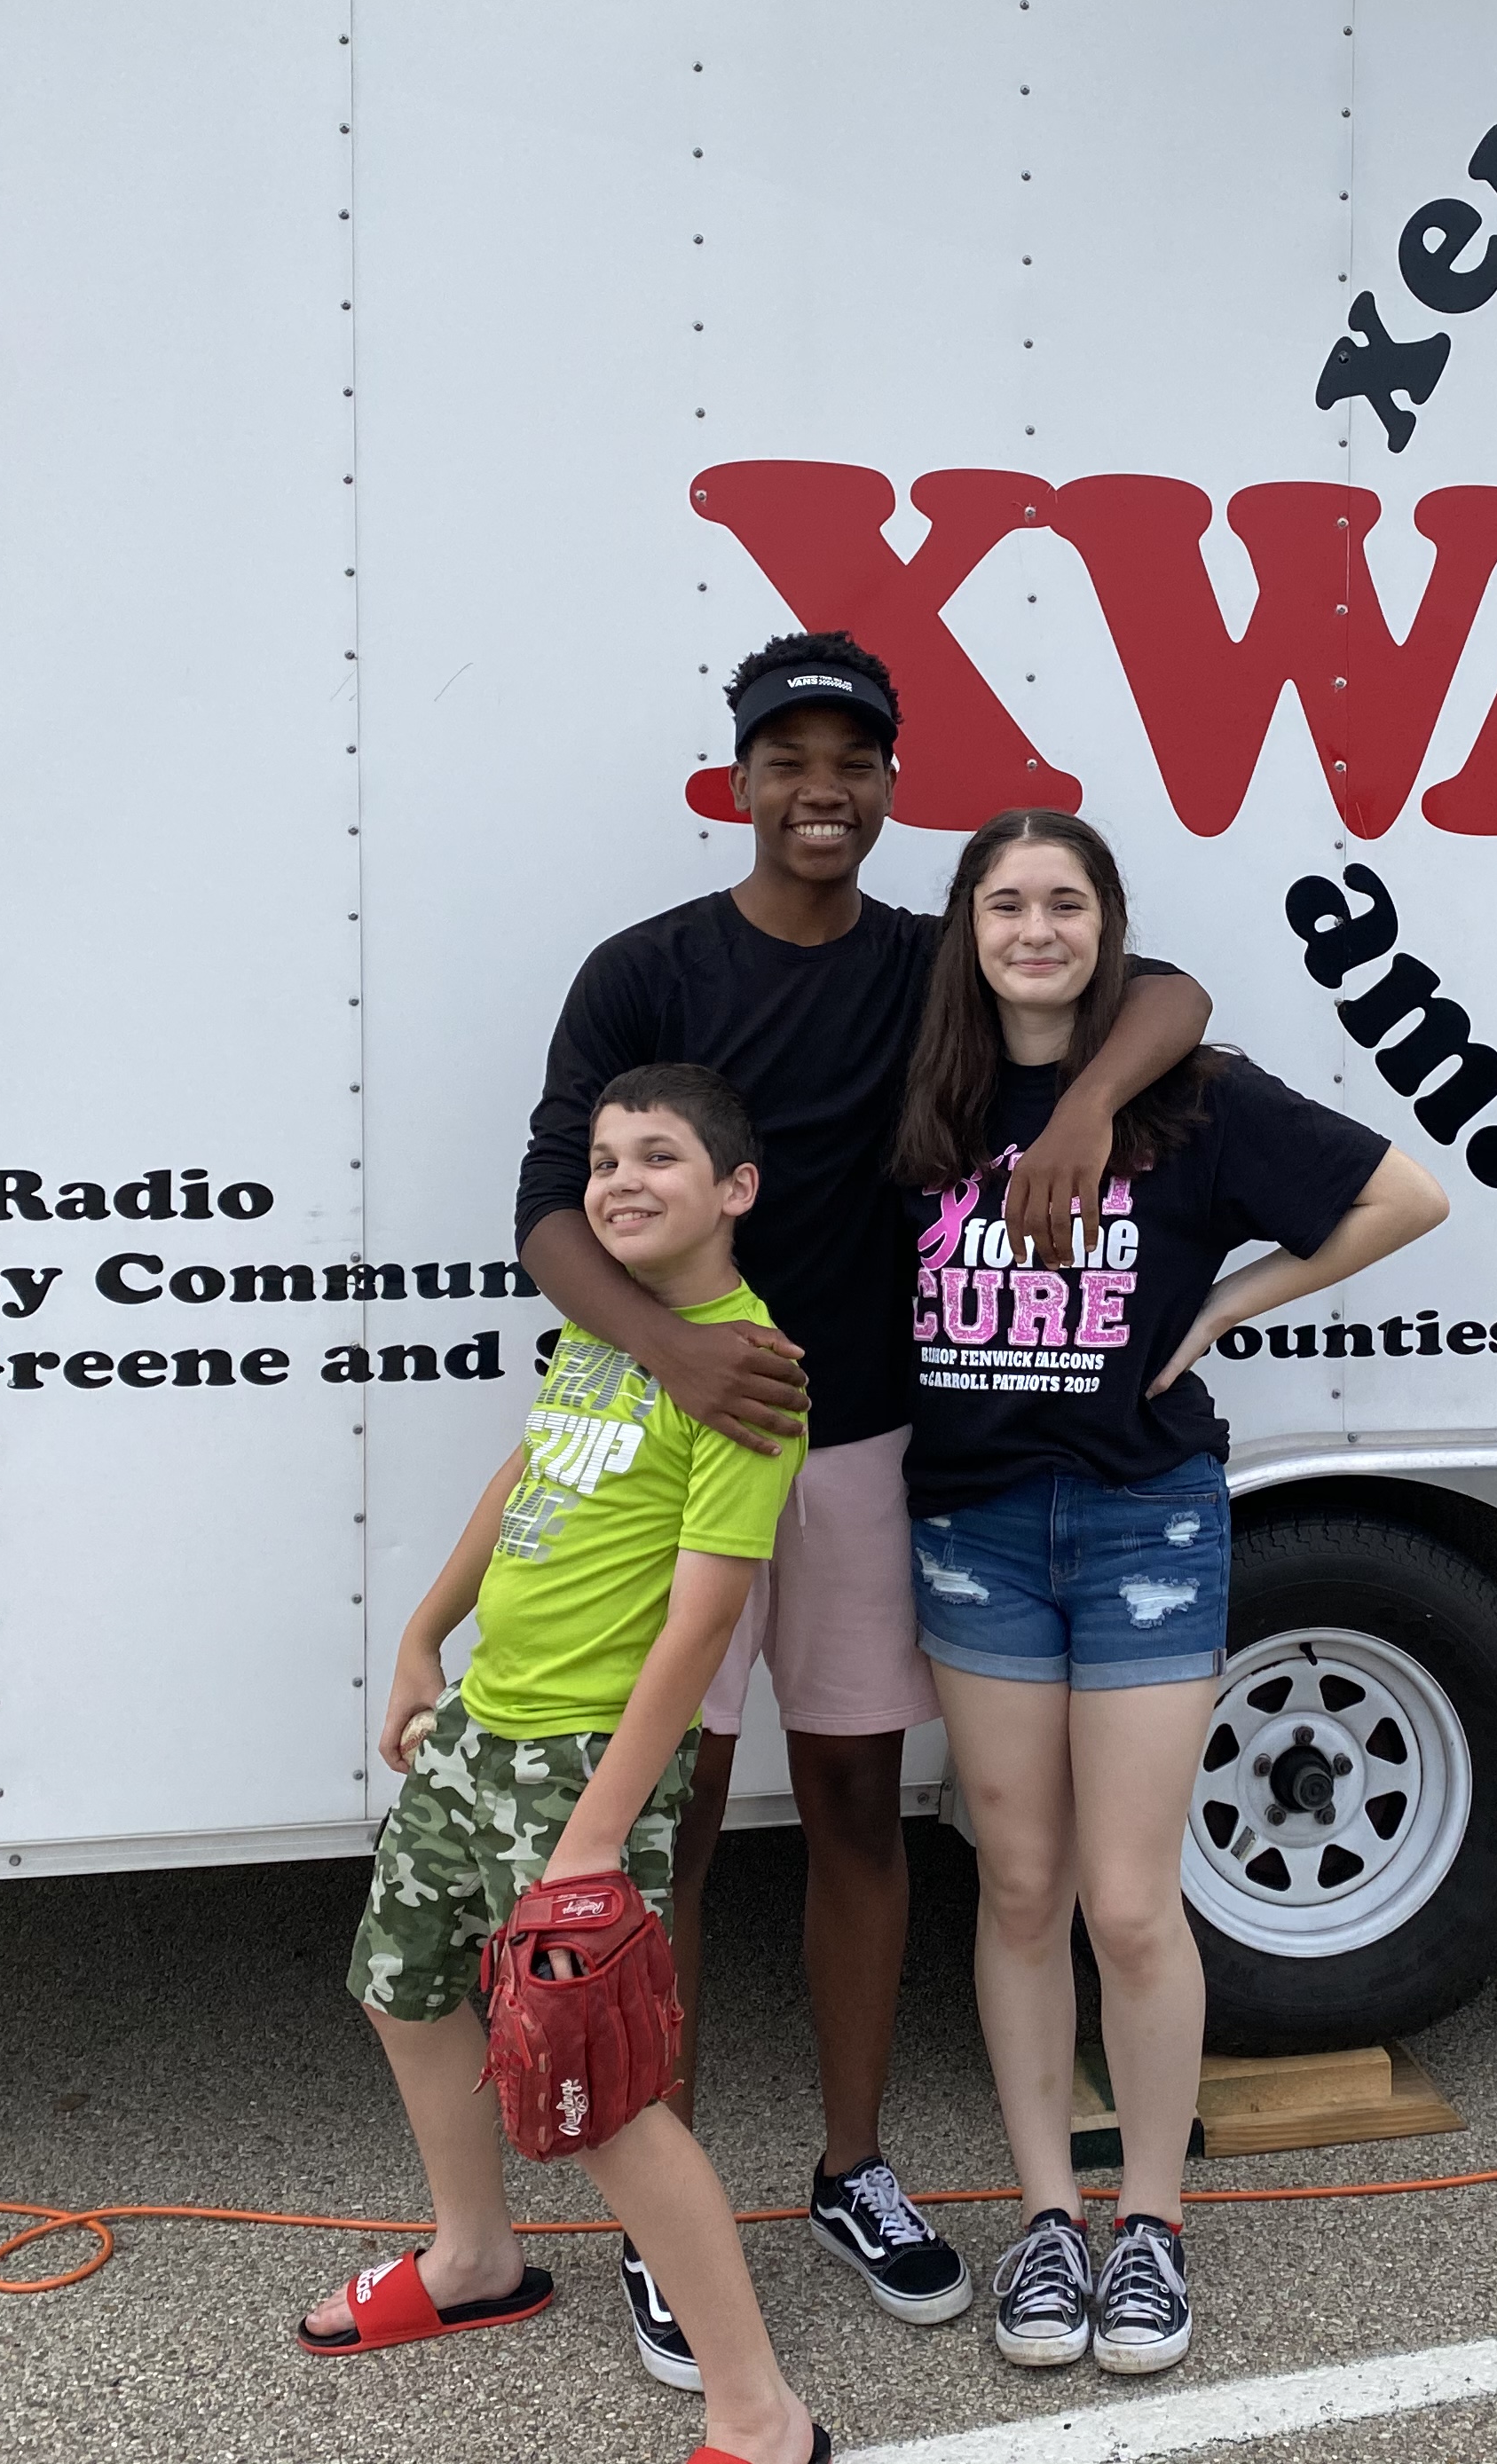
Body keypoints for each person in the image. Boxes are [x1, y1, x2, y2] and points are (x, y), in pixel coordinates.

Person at [512, 634, 1212, 2381]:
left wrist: (1094, 1102)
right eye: (788, 760)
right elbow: (543, 1209)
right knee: (671, 1820)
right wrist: (672, 1350)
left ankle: (852, 2167)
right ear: (740, 780)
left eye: (853, 763)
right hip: (677, 1442)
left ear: (892, 785)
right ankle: (661, 2212)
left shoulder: (927, 964)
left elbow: (1170, 996)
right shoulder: (645, 971)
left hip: (862, 1447)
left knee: (851, 1805)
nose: (820, 790)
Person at [891, 810, 1449, 2376]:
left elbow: (1406, 1197)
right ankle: (1046, 2219)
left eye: (1065, 903)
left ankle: (1150, 2224)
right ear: (968, 929)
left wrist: (1222, 1307)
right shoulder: (925, 1093)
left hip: (1145, 1524)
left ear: (1107, 924)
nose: (1036, 931)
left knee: (1131, 1903)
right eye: (1006, 904)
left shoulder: (1189, 1098)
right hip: (977, 1531)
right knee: (1019, 1888)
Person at [305, 1065, 830, 2464]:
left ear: (736, 1189)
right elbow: (524, 1477)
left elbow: (703, 1621)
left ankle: (760, 2415)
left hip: (582, 1765)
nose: (620, 1182)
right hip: (482, 1726)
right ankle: (474, 2257)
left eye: (658, 1157)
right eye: (602, 1161)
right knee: (402, 1988)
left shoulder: (750, 1368)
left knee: (600, 2090)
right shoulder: (606, 1331)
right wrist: (424, 1636)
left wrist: (596, 1834)